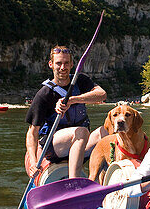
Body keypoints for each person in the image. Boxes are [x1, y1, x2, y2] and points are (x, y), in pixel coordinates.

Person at [25, 45, 107, 178]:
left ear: (72, 64)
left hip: (80, 144)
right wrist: (34, 163)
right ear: (51, 65)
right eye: (58, 63)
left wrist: (73, 100)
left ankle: (104, 178)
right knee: (81, 131)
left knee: (107, 131)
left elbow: (102, 95)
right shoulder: (44, 94)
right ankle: (73, 181)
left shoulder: (80, 81)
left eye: (66, 63)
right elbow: (32, 133)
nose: (63, 67)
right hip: (55, 148)